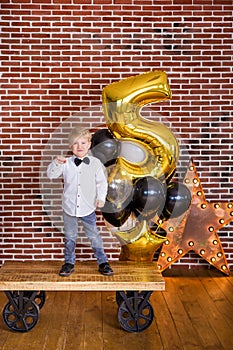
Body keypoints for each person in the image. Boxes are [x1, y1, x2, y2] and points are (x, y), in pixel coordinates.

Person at [47, 127, 114, 277]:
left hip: (88, 206)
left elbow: (101, 183)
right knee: (70, 236)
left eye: (83, 143)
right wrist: (56, 163)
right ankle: (69, 262)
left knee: (94, 235)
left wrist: (101, 198)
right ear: (70, 147)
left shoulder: (95, 163)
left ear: (89, 144)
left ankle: (103, 262)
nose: (80, 147)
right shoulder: (66, 162)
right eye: (76, 144)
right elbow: (51, 175)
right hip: (69, 206)